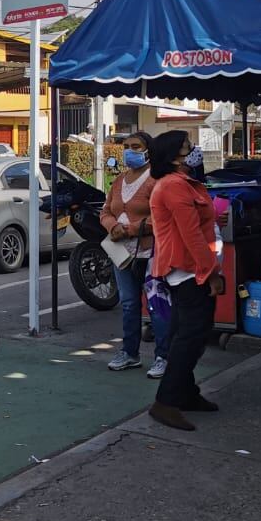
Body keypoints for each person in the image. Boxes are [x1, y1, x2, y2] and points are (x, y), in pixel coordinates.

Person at [147, 131, 224, 431]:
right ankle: (166, 402)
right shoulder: (174, 186)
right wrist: (211, 273)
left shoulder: (180, 184)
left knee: (186, 333)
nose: (194, 151)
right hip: (189, 269)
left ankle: (187, 394)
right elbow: (191, 235)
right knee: (192, 336)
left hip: (188, 268)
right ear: (174, 156)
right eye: (188, 147)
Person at [100, 132, 171, 379]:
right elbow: (106, 210)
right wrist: (112, 226)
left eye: (136, 146)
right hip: (121, 253)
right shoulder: (119, 181)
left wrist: (129, 229)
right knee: (129, 304)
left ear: (148, 150)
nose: (130, 151)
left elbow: (161, 216)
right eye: (126, 147)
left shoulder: (156, 180)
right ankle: (130, 353)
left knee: (156, 305)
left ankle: (163, 356)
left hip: (150, 252)